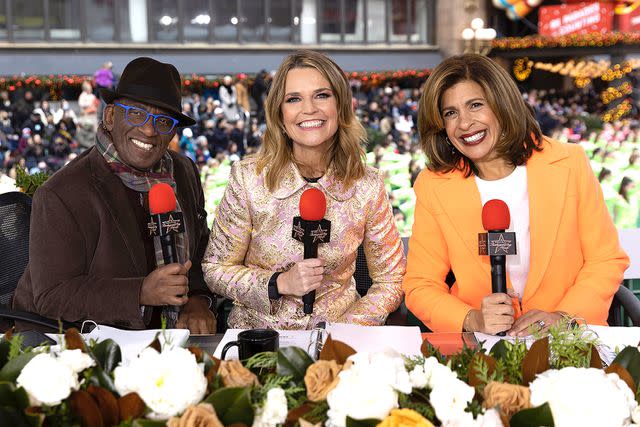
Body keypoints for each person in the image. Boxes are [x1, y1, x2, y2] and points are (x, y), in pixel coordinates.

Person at [403, 54, 629, 335]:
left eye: (475, 105)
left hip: (567, 341)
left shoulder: (570, 163)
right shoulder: (433, 185)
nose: (464, 123)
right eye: (451, 113)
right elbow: (420, 285)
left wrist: (563, 317)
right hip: (483, 349)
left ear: (502, 105)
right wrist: (473, 319)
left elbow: (605, 259)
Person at [203, 50, 405, 329]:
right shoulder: (248, 178)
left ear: (341, 106)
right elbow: (215, 269)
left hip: (340, 341)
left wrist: (346, 332)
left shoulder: (367, 185)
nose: (309, 109)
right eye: (294, 99)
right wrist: (278, 283)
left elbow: (390, 279)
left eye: (322, 95)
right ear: (280, 114)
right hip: (260, 340)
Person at [13, 57, 216, 334]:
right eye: (135, 113)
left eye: (163, 121)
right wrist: (140, 292)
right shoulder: (62, 193)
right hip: (77, 343)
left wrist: (197, 299)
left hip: (169, 341)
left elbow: (202, 249)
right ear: (110, 117)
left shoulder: (183, 171)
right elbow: (53, 296)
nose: (148, 129)